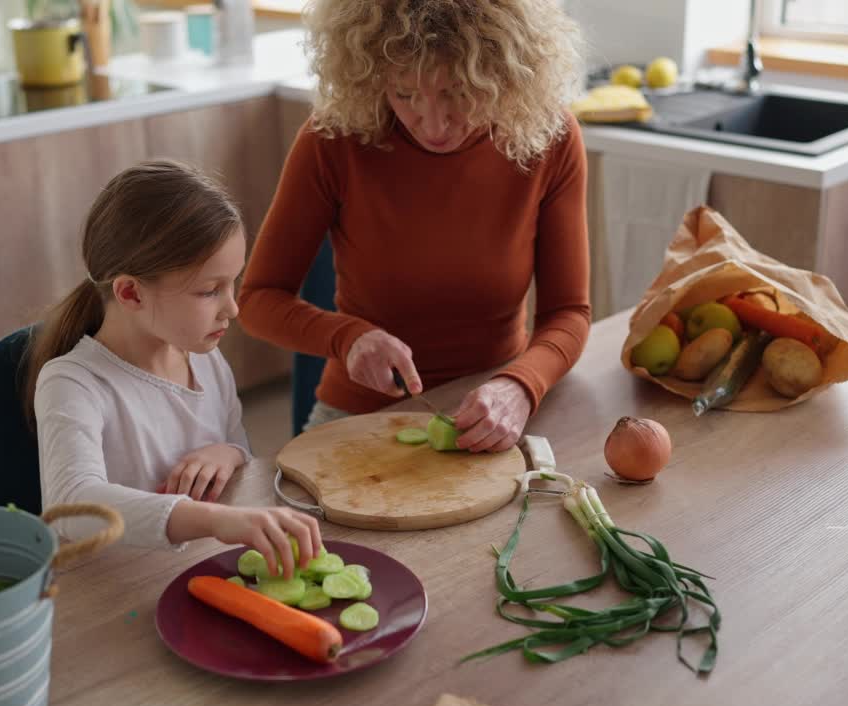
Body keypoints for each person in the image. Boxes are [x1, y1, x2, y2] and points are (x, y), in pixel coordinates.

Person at [238, 0, 592, 454]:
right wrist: (348, 338)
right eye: (405, 95)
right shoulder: (332, 140)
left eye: (458, 94)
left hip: (496, 408)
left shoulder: (550, 138)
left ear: (501, 74)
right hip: (361, 414)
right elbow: (258, 300)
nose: (434, 125)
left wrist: (520, 386)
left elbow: (568, 313)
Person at [26, 160, 319, 576]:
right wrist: (214, 520)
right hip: (108, 597)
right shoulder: (72, 383)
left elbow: (240, 453)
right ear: (130, 293)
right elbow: (72, 503)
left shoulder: (206, 360)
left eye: (232, 283)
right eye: (209, 291)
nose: (232, 308)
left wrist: (228, 452)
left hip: (191, 571)